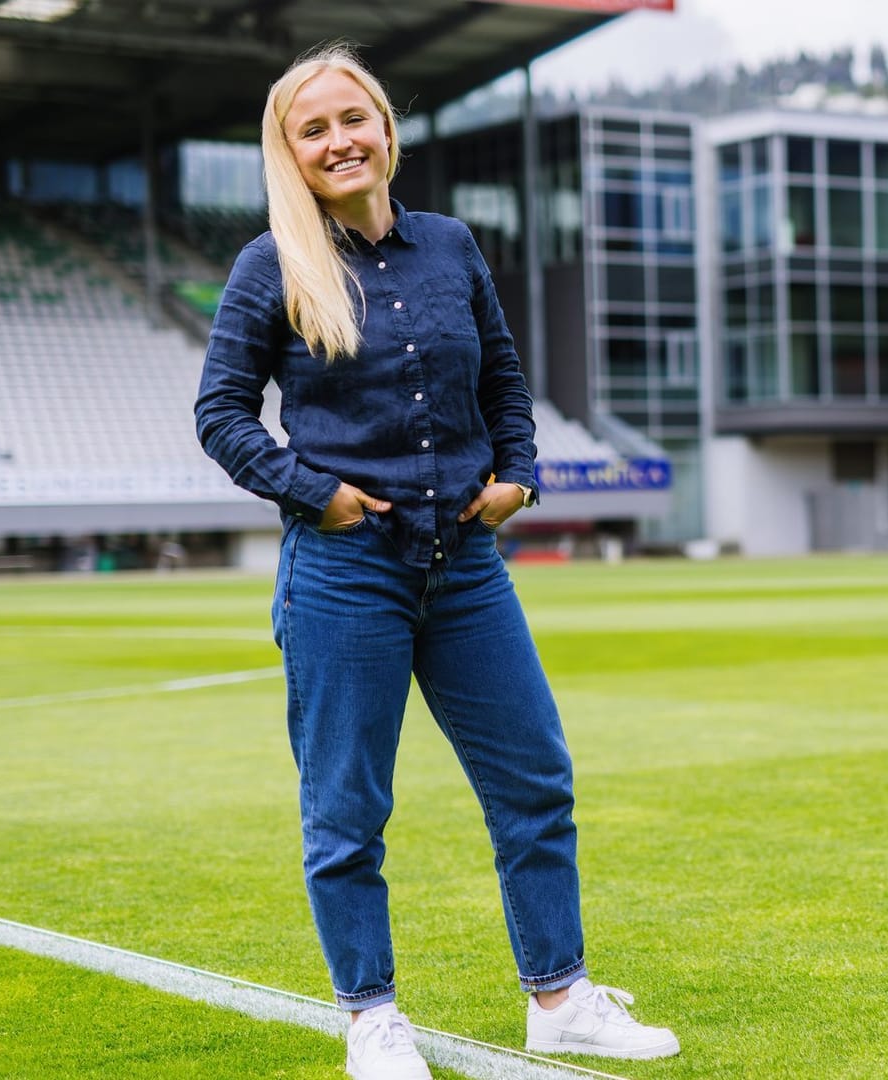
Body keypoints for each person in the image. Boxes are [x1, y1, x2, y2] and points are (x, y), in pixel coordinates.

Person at [194, 44, 679, 1080]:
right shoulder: (269, 267)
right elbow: (221, 417)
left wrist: (522, 475)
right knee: (348, 809)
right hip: (345, 571)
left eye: (352, 118)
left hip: (467, 569)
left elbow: (504, 379)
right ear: (290, 152)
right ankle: (371, 1019)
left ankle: (559, 1000)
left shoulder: (452, 246)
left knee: (536, 783)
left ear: (384, 128)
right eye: (312, 129)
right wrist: (313, 495)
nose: (339, 141)